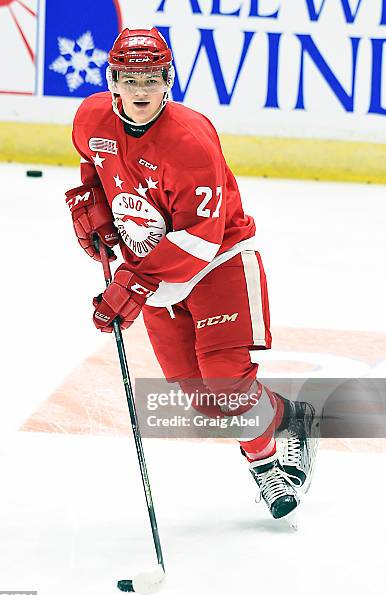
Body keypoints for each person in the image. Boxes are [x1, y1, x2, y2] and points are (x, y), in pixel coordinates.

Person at [66, 27, 319, 520]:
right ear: (112, 80)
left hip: (219, 262)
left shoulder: (190, 141)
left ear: (168, 81)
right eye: (130, 77)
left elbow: (198, 241)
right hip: (155, 271)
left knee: (227, 386)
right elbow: (93, 165)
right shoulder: (89, 118)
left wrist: (134, 280)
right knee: (206, 403)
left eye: (152, 77)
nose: (141, 89)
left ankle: (264, 463)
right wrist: (93, 206)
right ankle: (290, 415)